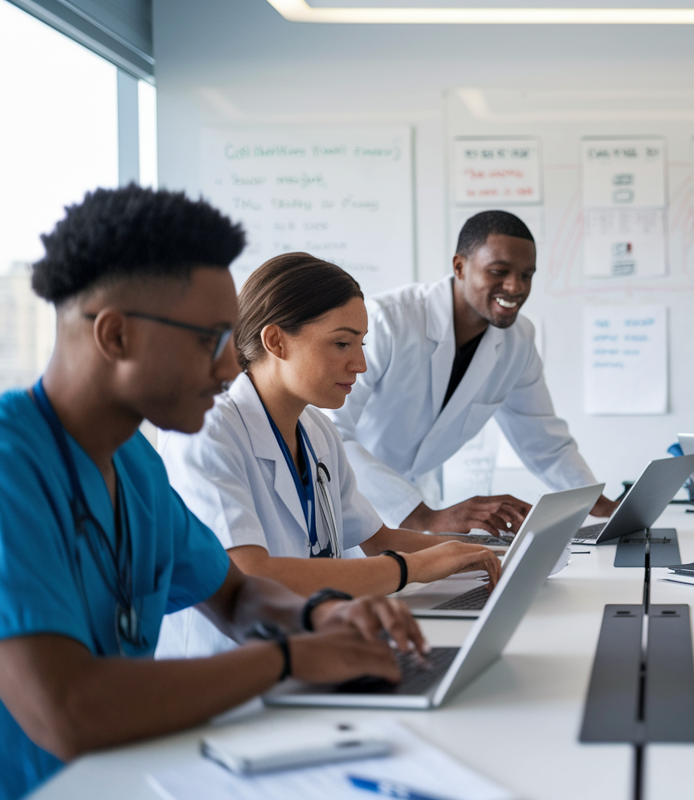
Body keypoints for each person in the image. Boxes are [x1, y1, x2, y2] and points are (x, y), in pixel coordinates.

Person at [0, 186, 426, 798]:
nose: (231, 369)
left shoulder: (135, 464)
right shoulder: (13, 467)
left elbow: (233, 594)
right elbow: (70, 712)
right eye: (210, 341)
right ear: (116, 336)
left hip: (132, 774)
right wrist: (289, 658)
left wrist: (321, 615)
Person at [157, 253, 503, 658]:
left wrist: (483, 554)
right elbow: (250, 575)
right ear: (276, 341)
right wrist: (411, 568)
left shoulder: (317, 430)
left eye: (361, 344)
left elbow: (379, 540)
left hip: (310, 654)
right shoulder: (207, 430)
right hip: (225, 669)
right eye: (342, 343)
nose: (359, 363)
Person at [328, 210, 618, 536]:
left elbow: (543, 443)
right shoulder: (385, 323)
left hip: (414, 508)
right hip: (346, 502)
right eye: (499, 271)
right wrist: (422, 516)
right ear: (459, 267)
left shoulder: (518, 341)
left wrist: (599, 504)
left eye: (527, 275)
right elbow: (329, 433)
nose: (515, 286)